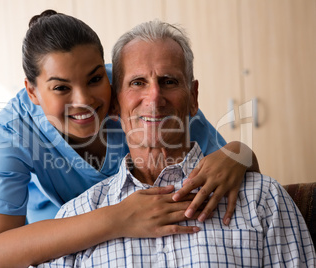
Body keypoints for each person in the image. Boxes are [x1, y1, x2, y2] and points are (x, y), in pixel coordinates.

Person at [0, 10, 260, 267]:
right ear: (33, 92)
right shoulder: (12, 130)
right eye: (61, 87)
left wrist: (239, 152)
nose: (84, 100)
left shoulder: (140, 93)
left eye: (95, 79)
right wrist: (119, 217)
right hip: (57, 241)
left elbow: (233, 169)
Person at [38, 20, 316, 267]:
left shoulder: (263, 199)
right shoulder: (76, 216)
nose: (155, 97)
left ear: (193, 97)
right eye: (137, 83)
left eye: (169, 81)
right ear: (115, 103)